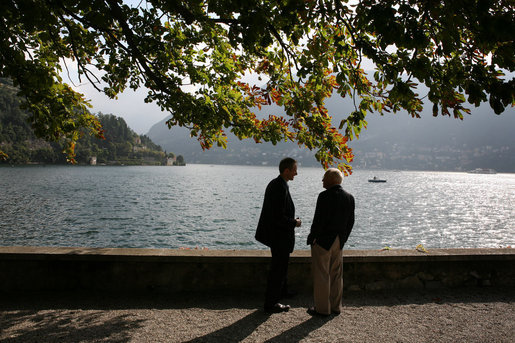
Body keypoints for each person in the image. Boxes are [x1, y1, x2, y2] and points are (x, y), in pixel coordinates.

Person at [255, 157, 302, 313]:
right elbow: (277, 217)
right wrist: (294, 222)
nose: (296, 172)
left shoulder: (280, 184)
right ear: (287, 170)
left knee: (282, 265)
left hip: (278, 235)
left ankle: (283, 292)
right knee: (278, 269)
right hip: (279, 236)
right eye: (295, 169)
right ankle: (271, 303)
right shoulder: (279, 186)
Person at [307, 168, 355, 316]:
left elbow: (318, 221)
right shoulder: (349, 197)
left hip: (323, 241)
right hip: (339, 240)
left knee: (322, 275)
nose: (322, 180)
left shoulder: (324, 196)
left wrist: (312, 238)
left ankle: (322, 309)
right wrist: (343, 239)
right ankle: (335, 307)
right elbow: (350, 222)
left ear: (330, 180)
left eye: (324, 178)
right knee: (336, 275)